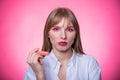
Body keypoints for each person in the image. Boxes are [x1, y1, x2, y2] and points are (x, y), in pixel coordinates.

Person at [24, 7, 101, 80]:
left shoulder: (89, 63)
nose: (63, 36)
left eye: (70, 30)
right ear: (48, 33)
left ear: (76, 34)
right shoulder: (35, 67)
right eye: (56, 29)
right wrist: (40, 75)